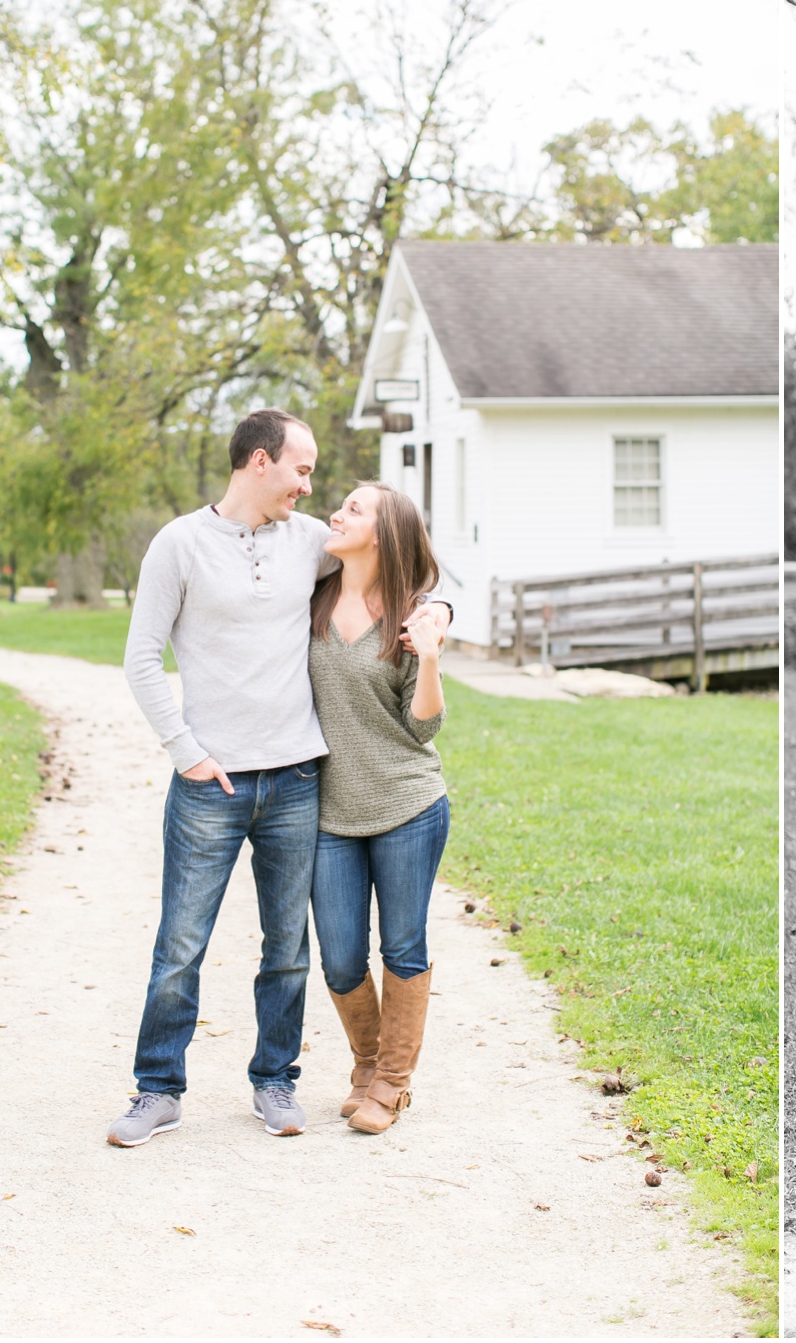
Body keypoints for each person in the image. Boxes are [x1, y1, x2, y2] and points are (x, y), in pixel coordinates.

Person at [108, 409, 335, 1147]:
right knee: (182, 943)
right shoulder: (179, 544)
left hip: (297, 776)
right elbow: (142, 658)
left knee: (287, 946)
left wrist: (440, 607)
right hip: (211, 785)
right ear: (260, 461)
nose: (309, 485)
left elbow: (396, 561)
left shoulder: (309, 542)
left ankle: (276, 1082)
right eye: (301, 469)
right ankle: (157, 1089)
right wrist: (186, 752)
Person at [307, 482, 452, 1135]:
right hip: (329, 813)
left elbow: (422, 728)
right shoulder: (307, 601)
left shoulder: (409, 616)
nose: (337, 513)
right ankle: (366, 1064)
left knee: (402, 945)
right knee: (339, 955)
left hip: (407, 804)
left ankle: (391, 1082)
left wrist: (429, 659)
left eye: (354, 508)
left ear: (383, 535)